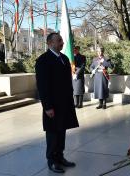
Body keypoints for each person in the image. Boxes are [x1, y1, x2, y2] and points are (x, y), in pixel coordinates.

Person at [35, 32, 78, 173]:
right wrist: (47, 107)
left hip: (64, 103)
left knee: (62, 131)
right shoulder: (43, 60)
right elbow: (42, 86)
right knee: (53, 133)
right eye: (59, 40)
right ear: (50, 43)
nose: (62, 42)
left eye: (61, 40)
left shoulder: (64, 58)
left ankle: (60, 157)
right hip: (52, 105)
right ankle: (52, 160)